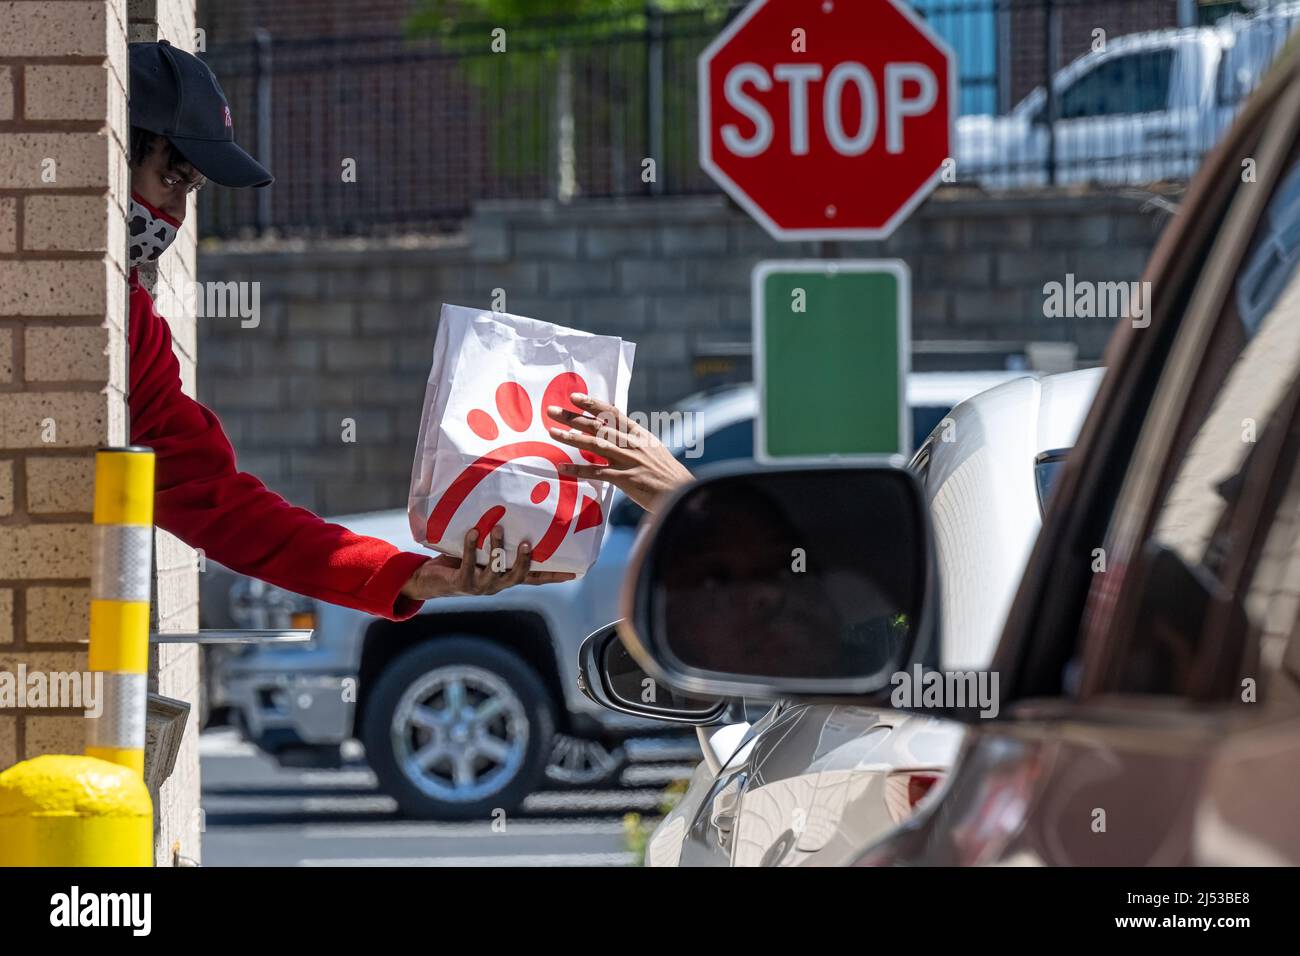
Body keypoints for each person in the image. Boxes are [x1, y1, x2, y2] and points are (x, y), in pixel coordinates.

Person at [125, 40, 578, 620]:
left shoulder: (134, 325)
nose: (176, 217)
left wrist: (409, 575)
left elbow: (224, 506)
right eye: (170, 178)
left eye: (190, 192)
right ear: (114, 153)